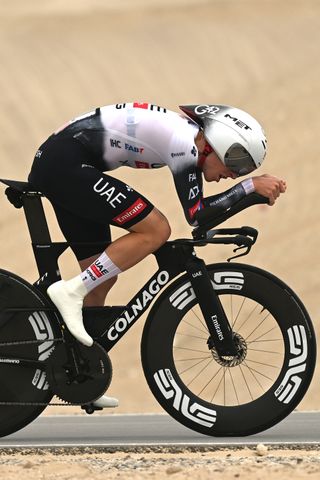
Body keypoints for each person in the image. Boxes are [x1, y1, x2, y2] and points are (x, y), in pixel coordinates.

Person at [28, 102, 286, 408]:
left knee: (99, 280)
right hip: (66, 166)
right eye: (237, 162)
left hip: (67, 164)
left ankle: (80, 373)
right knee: (156, 230)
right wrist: (249, 187)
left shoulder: (188, 139)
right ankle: (71, 292)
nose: (233, 173)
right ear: (217, 143)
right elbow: (197, 215)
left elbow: (202, 215)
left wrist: (248, 190)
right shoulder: (185, 144)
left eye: (244, 169)